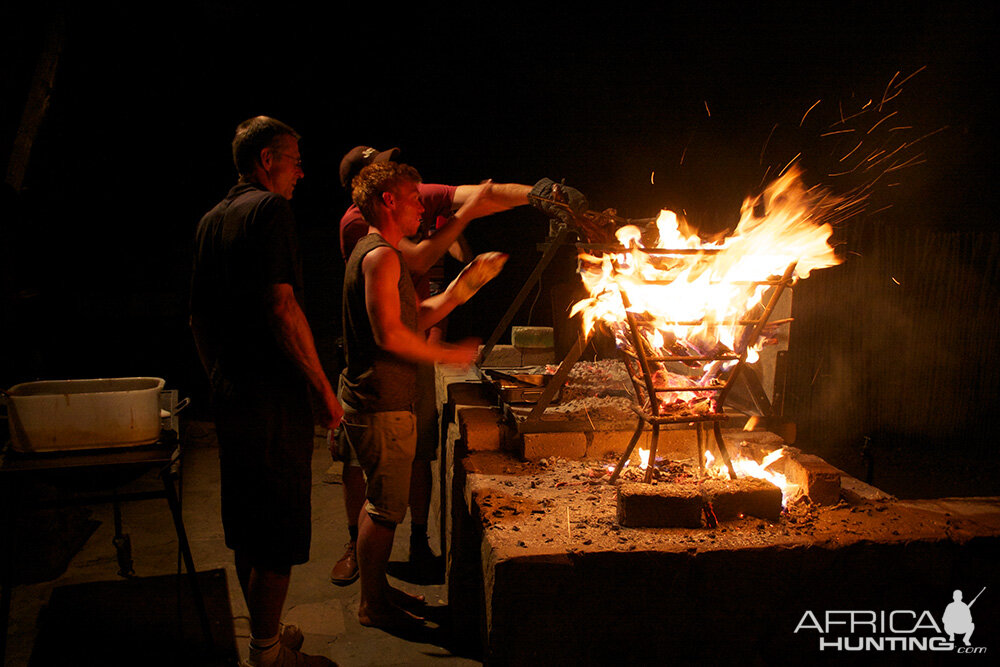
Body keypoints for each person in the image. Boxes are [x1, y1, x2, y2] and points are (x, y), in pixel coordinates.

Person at [330, 146, 536, 584]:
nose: (422, 205)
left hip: (389, 395)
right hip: (380, 397)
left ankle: (379, 592)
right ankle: (373, 601)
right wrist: (450, 354)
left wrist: (464, 287)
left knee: (388, 505)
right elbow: (391, 336)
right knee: (384, 511)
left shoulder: (385, 252)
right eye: (413, 197)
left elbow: (413, 317)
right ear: (388, 201)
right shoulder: (380, 254)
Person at [191, 116, 342, 667]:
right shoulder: (269, 210)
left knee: (246, 522)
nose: (302, 172)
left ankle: (267, 636)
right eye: (295, 160)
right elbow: (283, 306)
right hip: (272, 400)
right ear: (266, 160)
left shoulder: (211, 219)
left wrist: (220, 378)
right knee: (277, 526)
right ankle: (268, 656)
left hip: (231, 394)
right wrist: (324, 389)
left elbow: (197, 319)